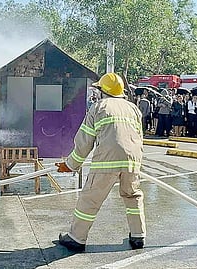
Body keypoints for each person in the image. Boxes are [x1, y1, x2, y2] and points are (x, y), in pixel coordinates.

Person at [55, 72, 145, 252]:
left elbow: (84, 142)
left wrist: (70, 165)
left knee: (90, 199)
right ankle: (138, 236)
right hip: (132, 161)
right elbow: (139, 137)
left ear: (103, 91)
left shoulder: (98, 107)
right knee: (132, 195)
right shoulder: (133, 108)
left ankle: (76, 238)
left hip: (107, 161)